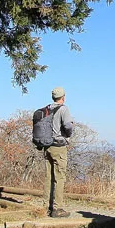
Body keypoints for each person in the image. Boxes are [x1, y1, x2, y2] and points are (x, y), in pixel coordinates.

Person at [41, 87, 74, 218]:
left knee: (49, 176)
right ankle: (57, 208)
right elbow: (67, 126)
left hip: (46, 146)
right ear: (63, 97)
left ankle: (46, 206)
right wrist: (68, 134)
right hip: (58, 146)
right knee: (59, 177)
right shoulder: (63, 109)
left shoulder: (46, 109)